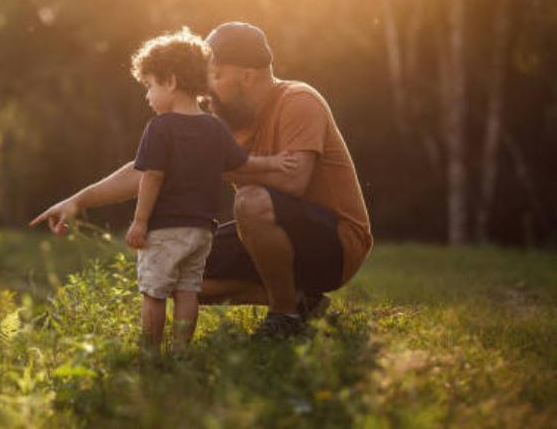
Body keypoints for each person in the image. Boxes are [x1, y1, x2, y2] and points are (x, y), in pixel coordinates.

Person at [31, 22, 372, 341]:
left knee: (250, 201)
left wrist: (207, 166)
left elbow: (296, 181)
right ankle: (302, 303)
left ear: (247, 76)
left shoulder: (298, 100)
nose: (206, 92)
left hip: (336, 244)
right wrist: (77, 201)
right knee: (179, 270)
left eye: (216, 77)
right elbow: (148, 169)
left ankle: (284, 317)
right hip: (267, 236)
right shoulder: (224, 123)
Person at [124, 29, 295, 353]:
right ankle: (181, 351)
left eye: (150, 86)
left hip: (165, 229)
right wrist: (275, 162)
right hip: (201, 231)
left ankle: (150, 353)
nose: (148, 96)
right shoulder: (214, 127)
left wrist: (140, 221)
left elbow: (152, 177)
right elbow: (244, 163)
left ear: (171, 82)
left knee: (155, 292)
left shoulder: (160, 128)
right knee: (189, 291)